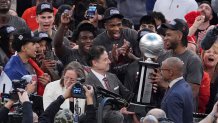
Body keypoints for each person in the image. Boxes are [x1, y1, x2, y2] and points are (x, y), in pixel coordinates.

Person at [153, 18, 203, 111]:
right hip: (162, 109)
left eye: (168, 35)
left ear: (179, 36)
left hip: (182, 113)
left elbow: (192, 92)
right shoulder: (163, 56)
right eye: (165, 35)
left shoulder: (193, 60)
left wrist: (165, 85)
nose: (165, 38)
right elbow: (156, 82)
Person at [160, 57, 193, 123]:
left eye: (162, 69)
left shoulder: (174, 95)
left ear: (170, 72)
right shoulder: (186, 86)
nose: (160, 72)